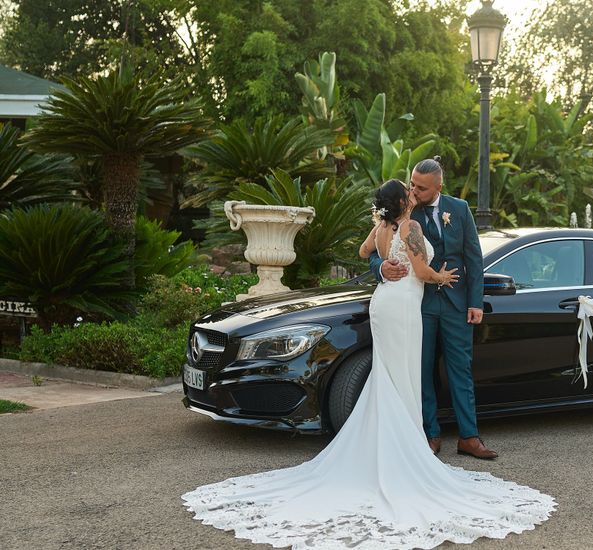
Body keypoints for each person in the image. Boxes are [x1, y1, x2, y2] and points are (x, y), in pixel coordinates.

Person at [182, 179, 554, 549]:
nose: (413, 193)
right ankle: (404, 450)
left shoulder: (381, 226)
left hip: (385, 304)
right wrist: (442, 276)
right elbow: (422, 272)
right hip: (405, 307)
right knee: (403, 374)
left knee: (388, 374)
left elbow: (364, 252)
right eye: (408, 192)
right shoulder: (411, 227)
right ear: (402, 202)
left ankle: (394, 443)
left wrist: (387, 262)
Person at [370, 157, 496, 459]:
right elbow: (374, 253)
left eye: (421, 188)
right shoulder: (402, 214)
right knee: (421, 369)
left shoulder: (460, 208)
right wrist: (381, 269)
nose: (414, 190)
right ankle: (430, 434)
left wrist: (475, 302)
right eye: (412, 184)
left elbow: (473, 258)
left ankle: (469, 437)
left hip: (455, 304)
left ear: (439, 186)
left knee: (460, 370)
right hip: (418, 304)